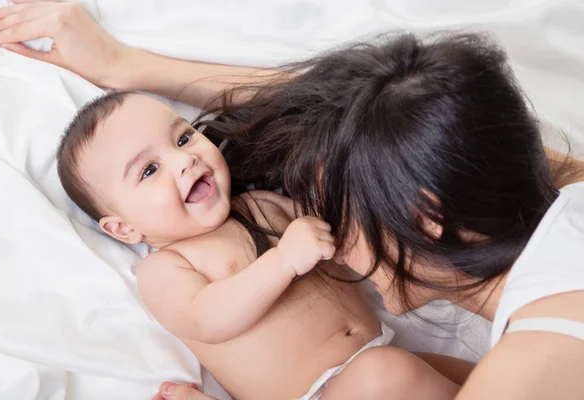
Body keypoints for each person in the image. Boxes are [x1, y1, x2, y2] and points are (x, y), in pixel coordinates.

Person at [0, 1, 584, 399]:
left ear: (425, 216)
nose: (331, 238)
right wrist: (127, 66)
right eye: (148, 168)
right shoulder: (563, 183)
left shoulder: (527, 372)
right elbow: (368, 117)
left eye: (184, 137)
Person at [55, 89, 465, 400]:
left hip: (379, 353)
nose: (184, 160)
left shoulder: (258, 204)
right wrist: (284, 260)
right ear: (123, 229)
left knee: (483, 373)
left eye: (183, 139)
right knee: (386, 374)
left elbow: (332, 244)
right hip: (319, 392)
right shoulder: (165, 267)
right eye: (149, 170)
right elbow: (208, 318)